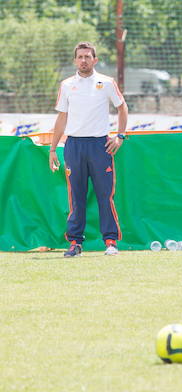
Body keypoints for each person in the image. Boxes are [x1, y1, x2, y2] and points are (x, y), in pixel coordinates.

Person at [49, 42, 128, 257]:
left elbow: (122, 107)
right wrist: (53, 149)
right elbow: (62, 117)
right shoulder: (66, 85)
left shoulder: (107, 82)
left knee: (105, 195)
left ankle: (111, 242)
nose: (83, 60)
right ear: (75, 60)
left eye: (87, 56)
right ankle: (75, 243)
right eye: (80, 57)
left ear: (95, 59)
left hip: (100, 146)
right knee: (77, 197)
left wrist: (119, 136)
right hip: (74, 146)